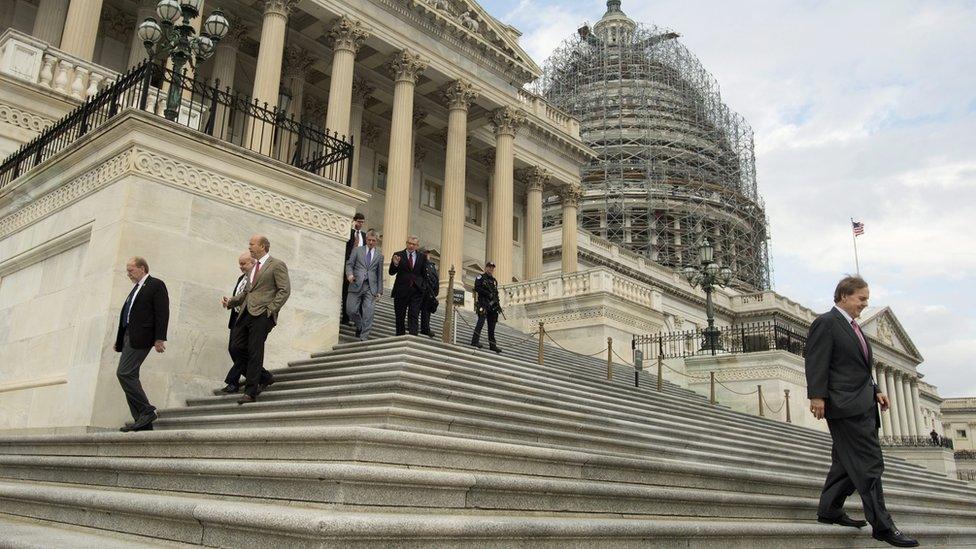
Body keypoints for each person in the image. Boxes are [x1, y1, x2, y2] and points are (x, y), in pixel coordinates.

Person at [805, 276, 917, 548]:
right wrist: (817, 395)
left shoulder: (856, 329)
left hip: (862, 403)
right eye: (861, 299)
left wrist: (876, 388)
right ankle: (883, 526)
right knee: (869, 463)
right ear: (844, 296)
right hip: (844, 406)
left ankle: (829, 509)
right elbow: (816, 359)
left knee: (845, 462)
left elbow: (857, 368)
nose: (865, 304)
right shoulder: (827, 323)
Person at [223, 235, 291, 405]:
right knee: (236, 347)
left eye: (251, 244)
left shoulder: (277, 265)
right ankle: (264, 377)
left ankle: (250, 391)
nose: (249, 247)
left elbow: (284, 290)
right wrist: (232, 301)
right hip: (246, 313)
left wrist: (270, 310)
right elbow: (247, 292)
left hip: (262, 314)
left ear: (262, 246)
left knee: (255, 351)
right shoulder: (253, 267)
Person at [114, 256, 169, 432]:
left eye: (131, 270)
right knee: (129, 374)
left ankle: (146, 411)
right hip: (130, 337)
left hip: (143, 337)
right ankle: (141, 420)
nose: (128, 273)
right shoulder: (136, 289)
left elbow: (162, 313)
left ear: (142, 268)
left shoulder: (155, 284)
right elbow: (128, 314)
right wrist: (119, 340)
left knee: (124, 373)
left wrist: (159, 339)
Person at [217, 252, 253, 394]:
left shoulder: (256, 278)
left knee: (238, 349)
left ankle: (232, 381)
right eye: (240, 264)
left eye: (243, 263)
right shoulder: (241, 278)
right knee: (233, 350)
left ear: (253, 263)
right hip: (236, 318)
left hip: (246, 319)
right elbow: (239, 297)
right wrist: (229, 302)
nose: (240, 267)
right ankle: (264, 376)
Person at [345, 230, 383, 341]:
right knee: (350, 310)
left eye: (373, 241)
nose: (371, 242)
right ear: (366, 239)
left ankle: (364, 336)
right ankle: (360, 325)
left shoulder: (379, 256)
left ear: (377, 241)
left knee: (369, 312)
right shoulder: (357, 250)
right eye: (369, 240)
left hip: (370, 287)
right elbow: (349, 264)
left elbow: (379, 274)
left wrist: (379, 291)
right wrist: (350, 275)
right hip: (356, 283)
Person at [388, 235, 427, 336]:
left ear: (417, 246)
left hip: (416, 290)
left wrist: (423, 287)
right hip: (401, 290)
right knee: (400, 315)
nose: (411, 246)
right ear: (406, 243)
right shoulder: (398, 255)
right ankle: (400, 335)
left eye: (413, 244)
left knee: (414, 314)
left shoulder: (422, 257)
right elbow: (391, 272)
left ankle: (413, 337)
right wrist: (395, 264)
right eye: (409, 243)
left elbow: (424, 274)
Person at [471, 261, 502, 354]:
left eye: (492, 268)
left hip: (492, 306)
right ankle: (474, 341)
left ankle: (492, 345)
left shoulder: (494, 281)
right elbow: (477, 288)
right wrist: (487, 293)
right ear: (486, 268)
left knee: (492, 326)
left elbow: (496, 294)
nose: (491, 269)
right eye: (489, 267)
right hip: (483, 303)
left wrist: (498, 305)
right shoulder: (480, 277)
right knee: (480, 323)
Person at [341, 213, 367, 325]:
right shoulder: (349, 232)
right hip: (347, 265)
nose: (360, 224)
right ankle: (345, 318)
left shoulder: (364, 236)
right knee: (345, 291)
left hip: (358, 268)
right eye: (359, 221)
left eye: (362, 222)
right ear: (354, 221)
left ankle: (354, 319)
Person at [419, 247, 439, 338]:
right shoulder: (418, 264)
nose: (426, 255)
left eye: (427, 253)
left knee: (426, 312)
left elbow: (436, 278)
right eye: (424, 253)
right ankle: (412, 326)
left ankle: (426, 329)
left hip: (429, 292)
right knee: (415, 309)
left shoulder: (432, 266)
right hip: (420, 290)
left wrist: (435, 291)